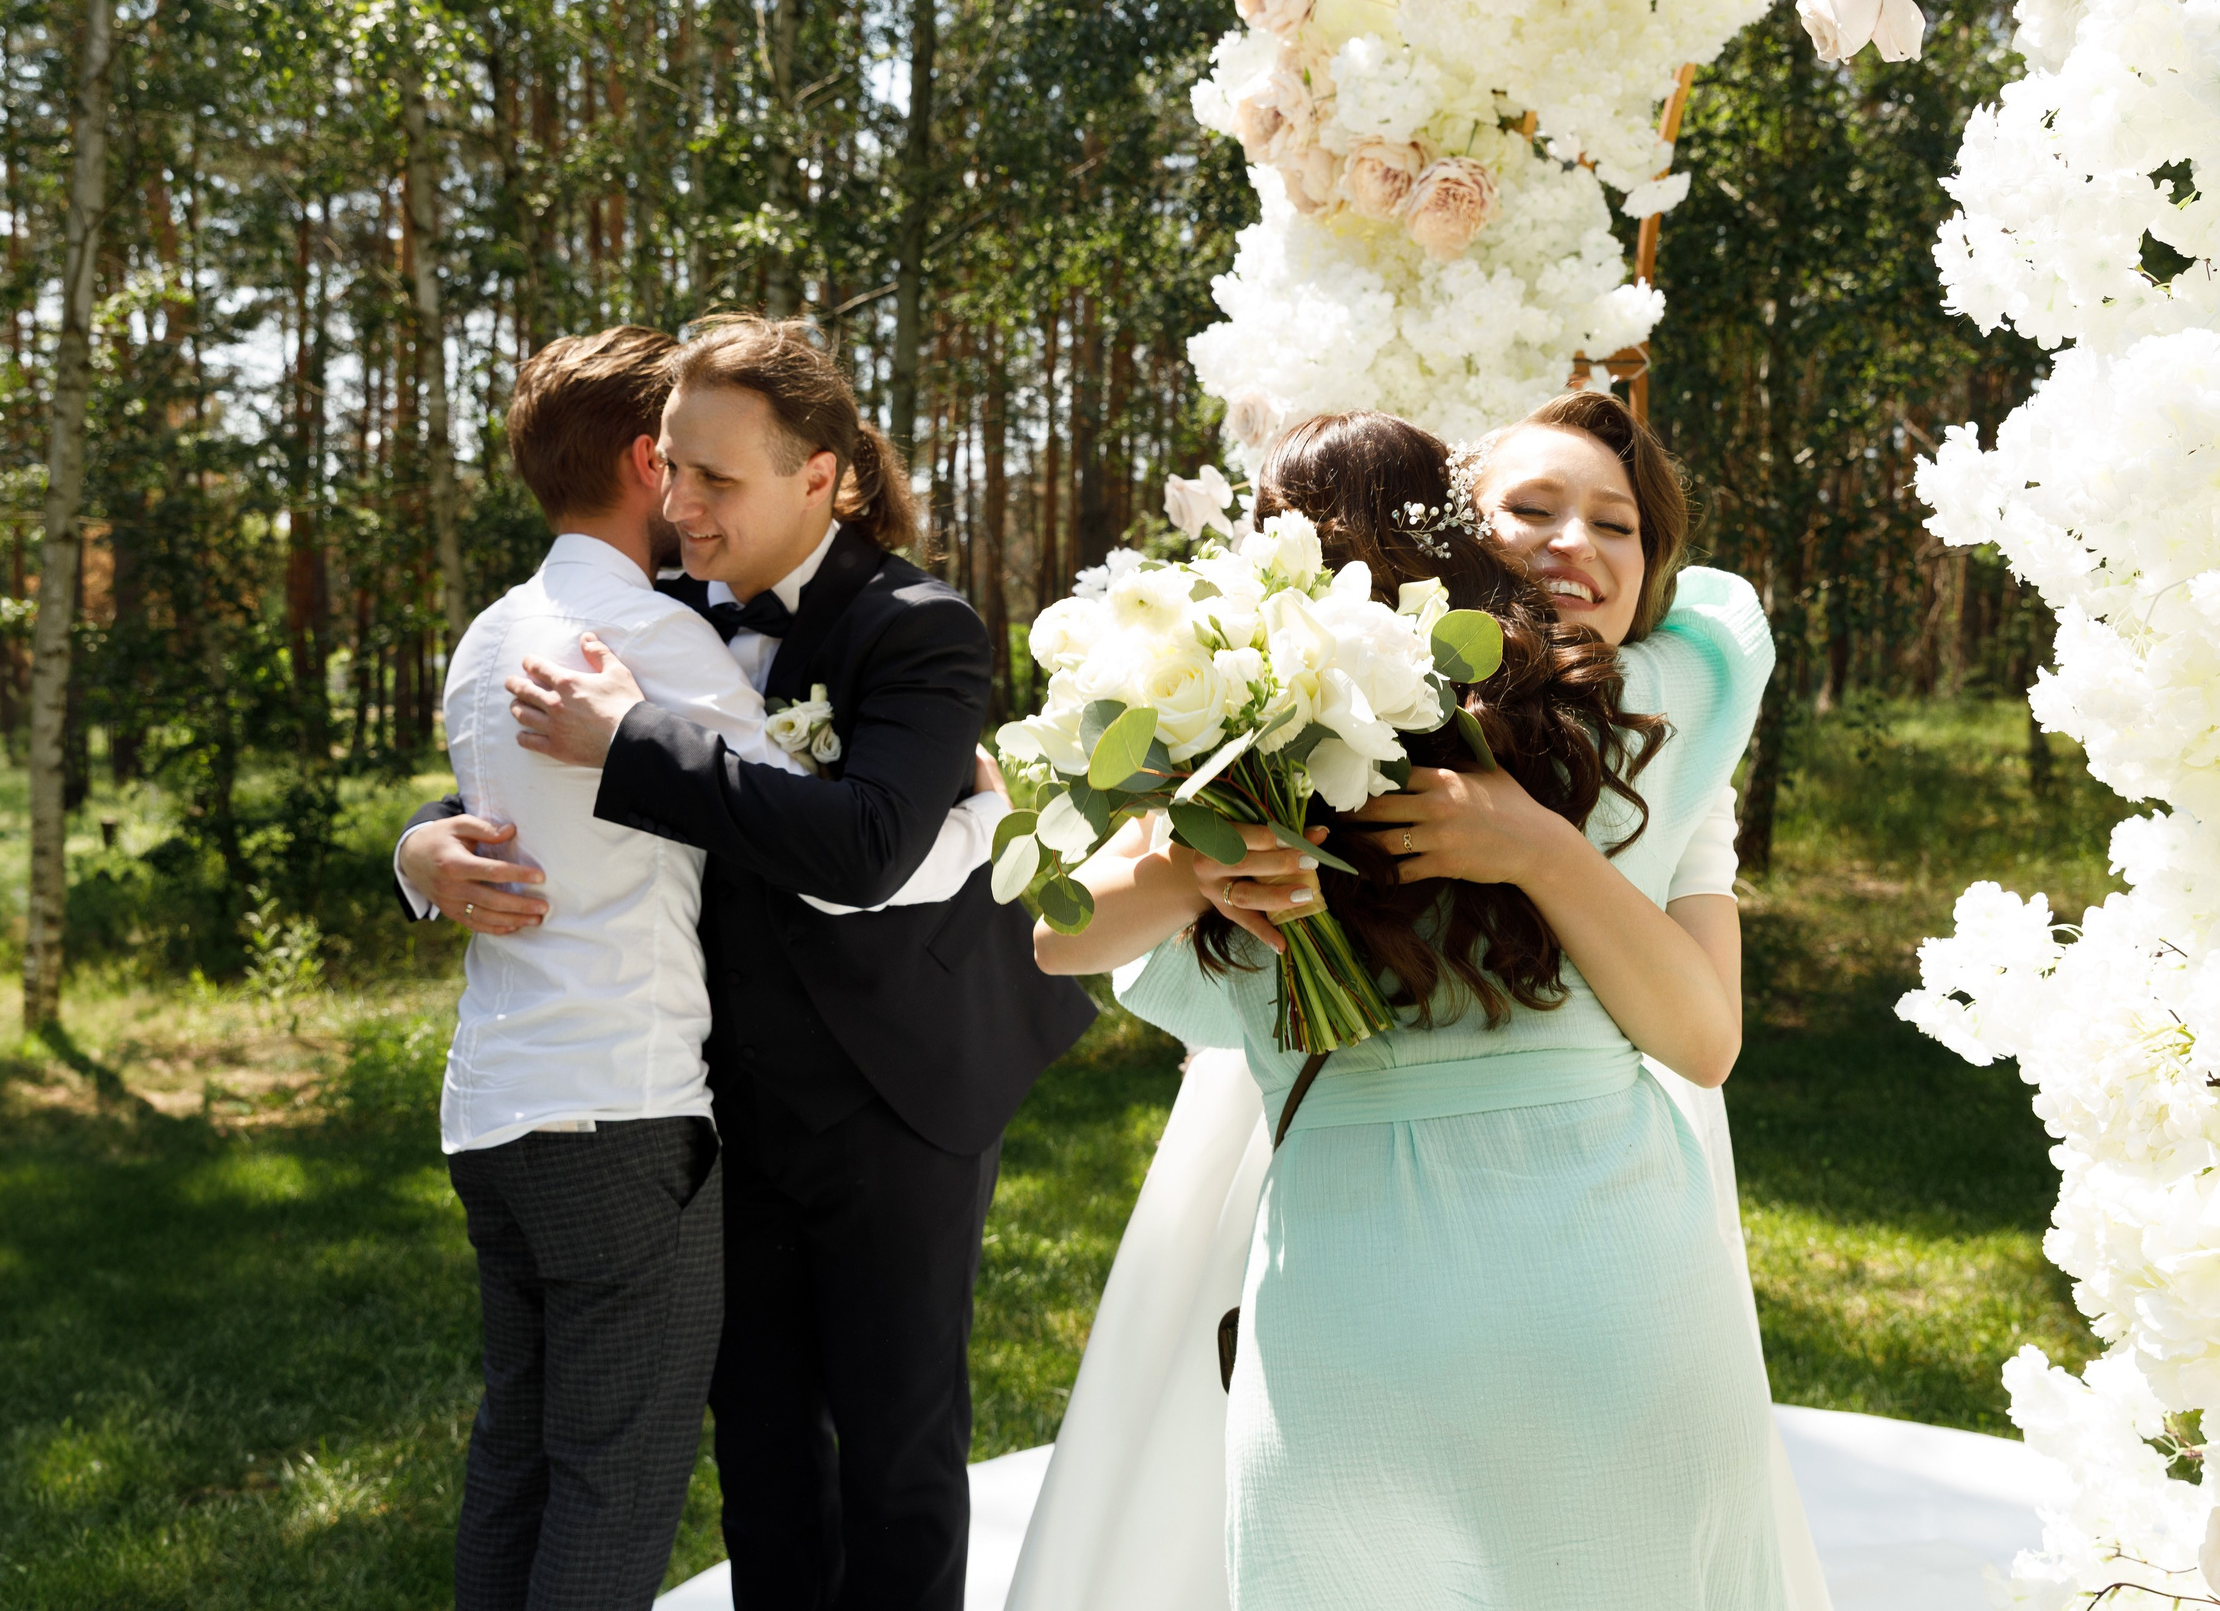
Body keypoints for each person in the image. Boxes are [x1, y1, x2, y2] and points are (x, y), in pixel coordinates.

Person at [1007, 400, 1826, 1610]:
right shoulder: (1288, 721)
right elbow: (1058, 929)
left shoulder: (1660, 741)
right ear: (1448, 536)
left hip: (1613, 1273)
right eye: (1531, 509)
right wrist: (1207, 852)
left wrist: (1539, 848)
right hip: (1352, 1296)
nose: (1576, 544)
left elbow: (1703, 1042)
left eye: (1618, 525)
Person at [397, 315, 1095, 1611]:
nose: (681, 501)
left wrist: (632, 742)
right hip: (725, 1108)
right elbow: (502, 784)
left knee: (893, 1449)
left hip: (901, 1093)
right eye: (669, 467)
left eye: (716, 477)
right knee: (761, 1451)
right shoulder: (660, 614)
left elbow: (871, 847)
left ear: (820, 474)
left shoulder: (918, 627)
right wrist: (419, 849)